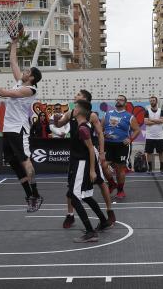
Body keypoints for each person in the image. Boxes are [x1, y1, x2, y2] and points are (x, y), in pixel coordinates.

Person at [0, 54, 44, 212]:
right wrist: (14, 42)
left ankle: (36, 194)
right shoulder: (20, 82)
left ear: (32, 77)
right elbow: (13, 62)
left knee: (24, 161)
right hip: (8, 129)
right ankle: (29, 195)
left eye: (28, 71)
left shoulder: (29, 89)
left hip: (18, 129)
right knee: (13, 163)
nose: (24, 71)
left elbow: (2, 93)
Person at [56, 89, 116, 229]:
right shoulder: (71, 113)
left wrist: (101, 153)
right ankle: (71, 215)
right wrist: (56, 122)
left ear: (84, 99)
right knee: (74, 188)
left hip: (88, 153)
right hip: (76, 154)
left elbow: (100, 134)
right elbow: (59, 125)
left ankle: (109, 211)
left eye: (78, 94)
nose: (75, 95)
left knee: (100, 182)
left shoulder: (91, 116)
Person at [65, 99, 110, 243]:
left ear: (79, 111)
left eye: (76, 107)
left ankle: (90, 232)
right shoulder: (82, 125)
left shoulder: (83, 128)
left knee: (74, 197)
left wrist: (92, 171)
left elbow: (91, 149)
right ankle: (103, 221)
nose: (74, 108)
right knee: (85, 196)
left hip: (81, 165)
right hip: (80, 165)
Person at [104, 94, 141, 199]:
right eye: (118, 99)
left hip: (122, 145)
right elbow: (100, 128)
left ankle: (120, 190)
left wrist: (130, 139)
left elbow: (137, 130)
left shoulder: (130, 116)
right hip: (108, 144)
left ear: (125, 103)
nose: (119, 101)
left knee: (120, 169)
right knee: (103, 165)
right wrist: (103, 133)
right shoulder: (108, 114)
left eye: (121, 100)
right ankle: (112, 183)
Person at [144, 96, 163, 174]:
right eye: (151, 101)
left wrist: (152, 120)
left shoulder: (161, 111)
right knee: (149, 152)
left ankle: (162, 167)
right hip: (149, 136)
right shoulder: (147, 111)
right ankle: (149, 168)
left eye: (153, 100)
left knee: (161, 152)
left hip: (159, 136)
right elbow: (146, 122)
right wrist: (158, 121)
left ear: (156, 101)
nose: (152, 102)